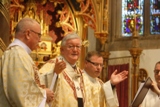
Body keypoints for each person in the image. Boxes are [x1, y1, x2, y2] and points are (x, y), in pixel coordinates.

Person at [39, 32, 128, 107]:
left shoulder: (79, 72)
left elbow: (95, 91)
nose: (75, 50)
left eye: (78, 47)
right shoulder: (52, 65)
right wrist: (54, 73)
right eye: (71, 46)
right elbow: (37, 87)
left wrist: (111, 84)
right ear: (62, 50)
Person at [0, 17, 54, 107]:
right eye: (39, 35)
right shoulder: (16, 54)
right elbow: (19, 90)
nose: (40, 40)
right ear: (28, 34)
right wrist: (44, 94)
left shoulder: (21, 54)